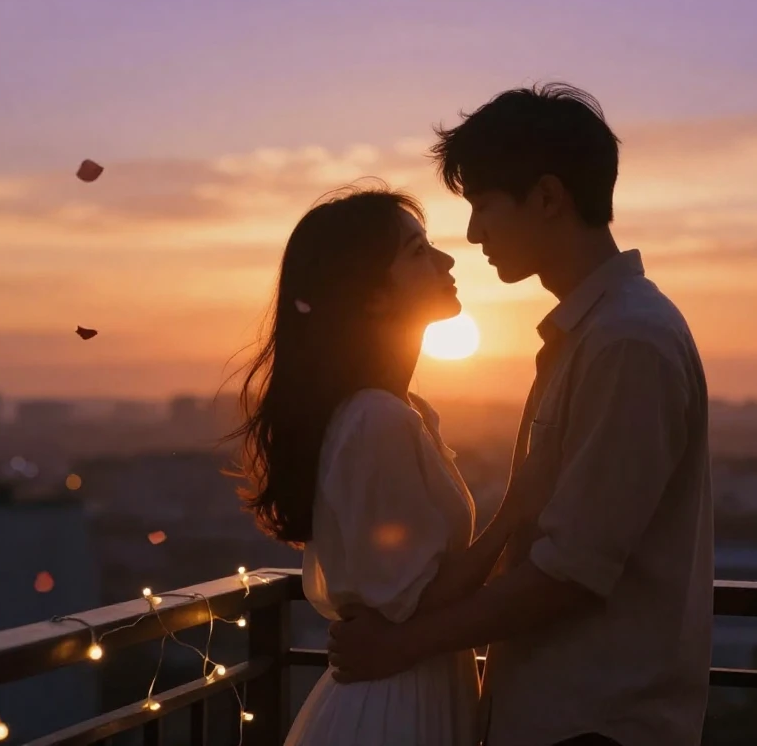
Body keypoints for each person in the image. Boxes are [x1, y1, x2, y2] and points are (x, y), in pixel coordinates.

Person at [327, 84, 715, 746]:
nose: (474, 233)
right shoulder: (592, 336)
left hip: (595, 724)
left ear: (546, 198)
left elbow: (570, 573)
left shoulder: (627, 342)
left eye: (483, 205)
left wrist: (402, 645)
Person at [227, 185, 538, 745]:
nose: (445, 260)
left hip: (405, 689)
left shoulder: (396, 411)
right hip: (397, 705)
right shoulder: (376, 418)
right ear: (372, 296)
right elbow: (414, 603)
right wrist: (517, 509)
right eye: (418, 252)